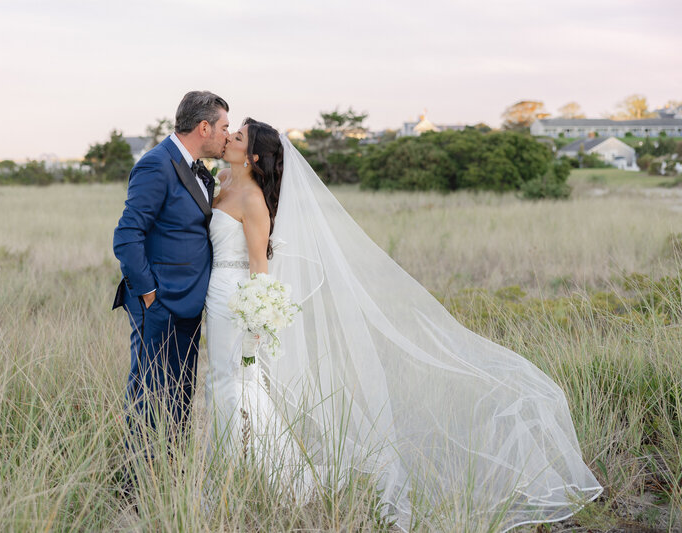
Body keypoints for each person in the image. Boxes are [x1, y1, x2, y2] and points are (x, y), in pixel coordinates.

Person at [203, 118, 603, 531]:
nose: (229, 138)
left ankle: (257, 477)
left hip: (237, 301)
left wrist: (257, 316)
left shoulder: (251, 199)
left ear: (254, 155)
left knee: (234, 385)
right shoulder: (227, 182)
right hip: (218, 296)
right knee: (231, 385)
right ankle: (244, 470)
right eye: (230, 132)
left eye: (237, 136)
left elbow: (259, 268)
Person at [112, 90, 229, 451]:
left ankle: (171, 477)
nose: (228, 134)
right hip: (159, 303)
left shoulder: (201, 171)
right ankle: (137, 487)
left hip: (189, 303)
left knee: (180, 395)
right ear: (204, 127)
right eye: (225, 127)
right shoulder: (156, 164)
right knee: (150, 395)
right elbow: (127, 234)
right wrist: (149, 294)